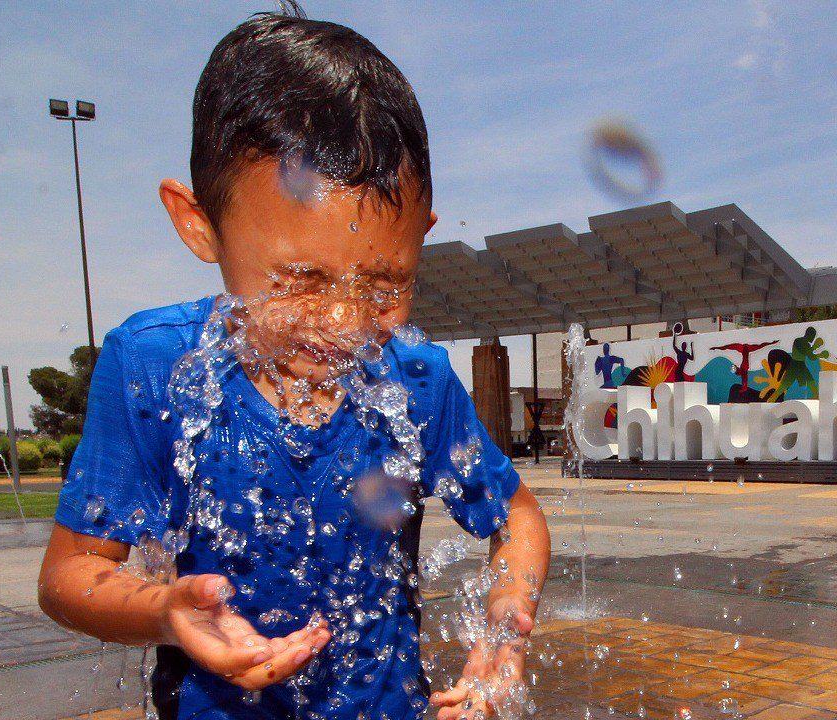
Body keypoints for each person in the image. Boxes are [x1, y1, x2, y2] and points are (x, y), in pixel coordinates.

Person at [36, 6, 550, 720]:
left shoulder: (418, 379)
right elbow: (71, 574)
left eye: (384, 284)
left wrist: (501, 632)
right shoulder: (153, 366)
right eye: (301, 281)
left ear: (421, 237)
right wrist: (165, 611)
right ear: (197, 223)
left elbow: (516, 519)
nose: (343, 324)